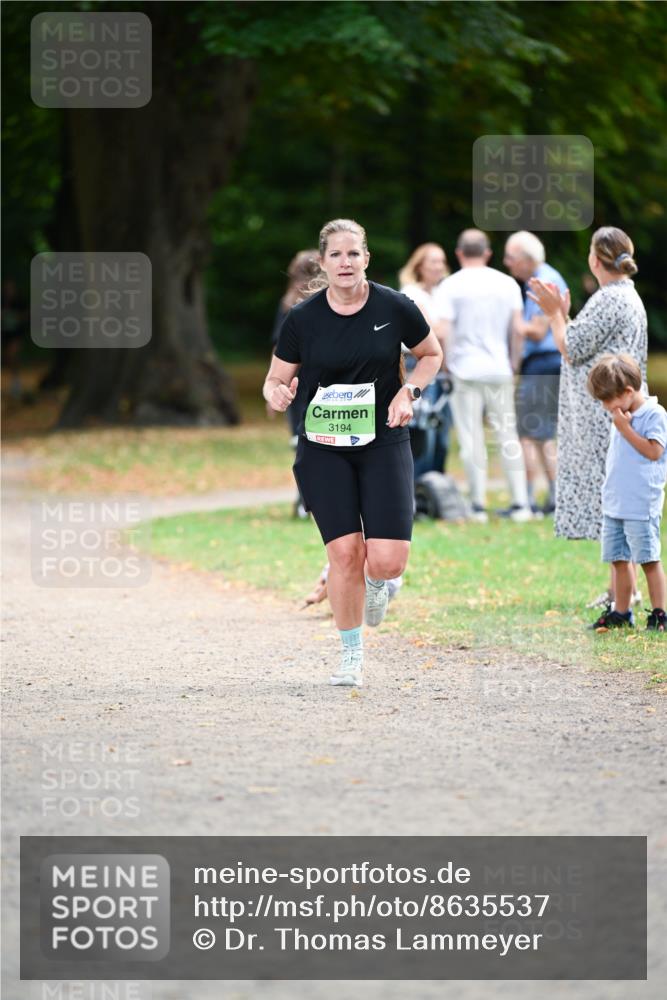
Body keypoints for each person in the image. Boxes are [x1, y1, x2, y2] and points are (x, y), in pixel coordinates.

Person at [263, 218, 442, 687]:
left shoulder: (395, 306)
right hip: (323, 445)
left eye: (353, 254)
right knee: (344, 553)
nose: (345, 262)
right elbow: (274, 379)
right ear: (323, 263)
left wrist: (410, 394)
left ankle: (381, 582)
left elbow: (431, 355)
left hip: (382, 438)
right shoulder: (303, 319)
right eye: (336, 255)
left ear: (367, 258)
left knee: (386, 560)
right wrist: (276, 394)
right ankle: (350, 655)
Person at [528, 226, 648, 608]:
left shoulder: (609, 298)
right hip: (614, 406)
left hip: (604, 414)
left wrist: (552, 315)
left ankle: (623, 592)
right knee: (613, 499)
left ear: (595, 260)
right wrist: (563, 314)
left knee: (612, 502)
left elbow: (571, 346)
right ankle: (619, 589)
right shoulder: (624, 297)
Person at [434, 228, 531, 523]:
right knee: (507, 434)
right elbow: (517, 330)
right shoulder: (507, 283)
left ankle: (477, 503)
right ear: (488, 253)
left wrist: (446, 364)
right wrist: (514, 362)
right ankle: (521, 503)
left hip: (465, 368)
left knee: (470, 437)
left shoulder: (450, 285)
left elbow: (444, 330)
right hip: (499, 367)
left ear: (459, 253)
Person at [585, 355, 666, 632]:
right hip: (616, 502)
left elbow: (654, 452)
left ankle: (659, 614)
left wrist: (625, 428)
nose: (607, 407)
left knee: (648, 560)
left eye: (609, 400)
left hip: (641, 504)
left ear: (628, 392)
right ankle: (621, 612)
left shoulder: (653, 414)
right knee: (619, 559)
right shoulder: (621, 414)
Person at [504, 231, 568, 515]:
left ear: (526, 259)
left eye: (511, 258)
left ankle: (529, 500)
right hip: (548, 363)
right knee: (542, 434)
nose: (508, 264)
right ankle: (553, 499)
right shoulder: (542, 277)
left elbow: (538, 329)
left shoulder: (544, 281)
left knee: (528, 434)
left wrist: (513, 321)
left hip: (543, 362)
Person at [399, 243, 452, 474]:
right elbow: (433, 331)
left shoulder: (443, 293)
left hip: (442, 366)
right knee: (421, 426)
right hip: (417, 363)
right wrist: (447, 325)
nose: (439, 266)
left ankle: (435, 482)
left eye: (441, 261)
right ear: (420, 265)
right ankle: (417, 483)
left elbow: (443, 331)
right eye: (433, 261)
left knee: (441, 427)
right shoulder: (411, 293)